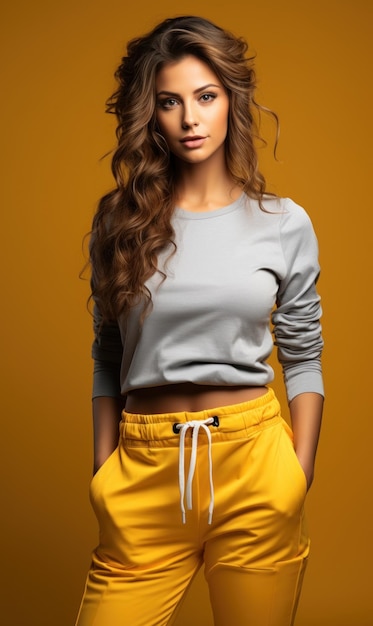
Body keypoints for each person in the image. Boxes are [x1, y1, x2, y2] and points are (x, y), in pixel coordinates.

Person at [75, 15, 324, 626]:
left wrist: (299, 470)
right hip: (144, 469)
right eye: (170, 102)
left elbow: (304, 352)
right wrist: (105, 467)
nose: (190, 118)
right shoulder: (120, 223)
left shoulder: (283, 223)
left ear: (230, 102)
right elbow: (109, 352)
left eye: (205, 97)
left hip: (255, 464)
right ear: (151, 114)